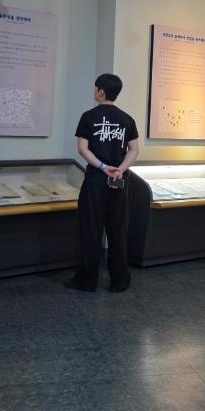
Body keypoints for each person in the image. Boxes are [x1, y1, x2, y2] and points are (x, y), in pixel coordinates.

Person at [66, 74, 140, 293]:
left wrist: (102, 166)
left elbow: (82, 149)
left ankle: (87, 281)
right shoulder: (127, 119)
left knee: (91, 229)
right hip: (119, 180)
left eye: (95, 88)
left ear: (101, 91)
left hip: (96, 180)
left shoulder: (88, 117)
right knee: (118, 231)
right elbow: (134, 150)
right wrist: (120, 169)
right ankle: (120, 281)